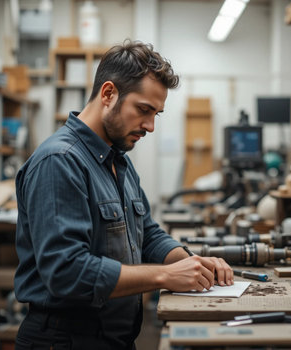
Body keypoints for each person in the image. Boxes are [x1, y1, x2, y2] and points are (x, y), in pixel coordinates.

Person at [14, 40, 234, 350]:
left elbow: (146, 235)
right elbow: (66, 272)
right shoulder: (60, 161)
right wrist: (164, 276)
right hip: (65, 341)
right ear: (108, 94)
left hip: (112, 339)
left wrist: (192, 263)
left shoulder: (119, 160)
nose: (150, 126)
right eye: (144, 110)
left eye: (156, 113)